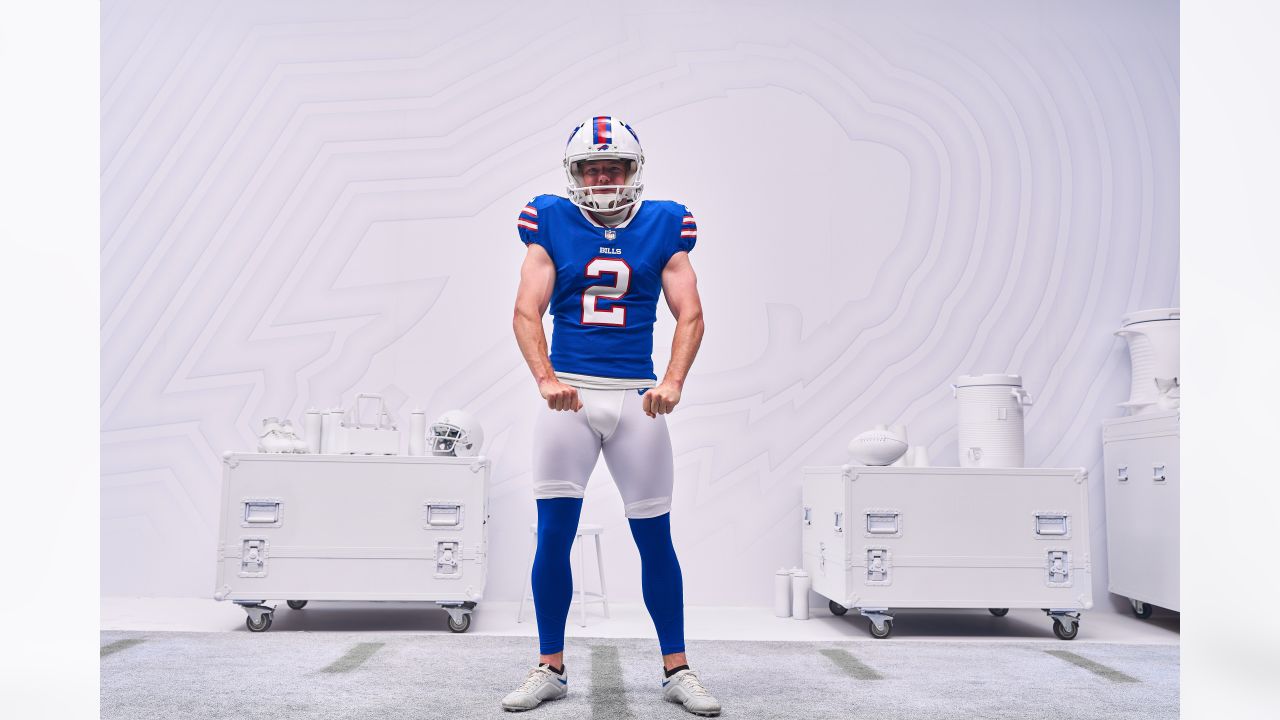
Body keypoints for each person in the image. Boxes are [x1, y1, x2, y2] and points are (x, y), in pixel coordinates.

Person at [503, 116, 719, 717]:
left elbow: (691, 312)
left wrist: (673, 381)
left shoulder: (664, 223)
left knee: (655, 536)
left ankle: (677, 668)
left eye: (613, 167)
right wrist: (546, 377)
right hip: (568, 398)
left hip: (636, 399)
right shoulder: (548, 219)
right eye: (592, 168)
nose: (603, 178)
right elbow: (526, 310)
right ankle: (549, 665)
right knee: (554, 534)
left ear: (633, 171)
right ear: (573, 174)